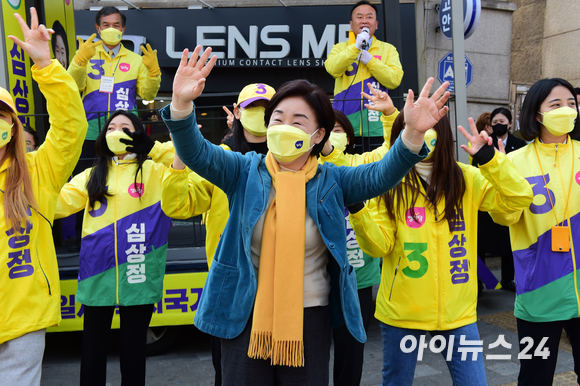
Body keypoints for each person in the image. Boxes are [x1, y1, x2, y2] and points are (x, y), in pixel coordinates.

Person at [161, 45, 449, 385]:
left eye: (298, 122)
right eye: (278, 119)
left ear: (318, 136)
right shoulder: (242, 170)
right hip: (243, 309)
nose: (284, 128)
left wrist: (412, 134)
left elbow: (381, 175)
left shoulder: (333, 179)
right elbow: (196, 151)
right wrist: (181, 104)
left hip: (310, 315)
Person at [341, 88, 533, 385]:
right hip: (402, 313)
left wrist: (490, 161)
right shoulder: (387, 181)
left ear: (442, 130)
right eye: (413, 125)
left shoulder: (465, 178)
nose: (422, 131)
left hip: (459, 313)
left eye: (430, 124)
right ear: (401, 132)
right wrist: (358, 208)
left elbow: (518, 200)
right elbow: (379, 246)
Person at [55, 110, 190, 386]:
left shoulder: (155, 171)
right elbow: (55, 203)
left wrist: (153, 148)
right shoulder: (91, 176)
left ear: (138, 135)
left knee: (133, 355)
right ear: (103, 137)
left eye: (125, 127)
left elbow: (185, 157)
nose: (117, 132)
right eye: (112, 127)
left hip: (138, 272)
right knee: (91, 355)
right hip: (96, 274)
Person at [0, 8, 87, 385]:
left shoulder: (37, 171)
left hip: (24, 320)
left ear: (14, 125)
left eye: (2, 115)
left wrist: (46, 66)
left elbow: (70, 128)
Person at [490, 78, 580, 385]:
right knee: (534, 377)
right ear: (537, 114)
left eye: (571, 104)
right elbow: (505, 216)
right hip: (539, 292)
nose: (566, 110)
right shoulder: (513, 162)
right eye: (556, 105)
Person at [68, 6, 161, 171]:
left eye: (116, 25)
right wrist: (80, 61)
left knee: (125, 177)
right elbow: (73, 86)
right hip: (90, 129)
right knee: (86, 178)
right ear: (98, 28)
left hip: (125, 130)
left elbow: (148, 94)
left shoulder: (136, 60)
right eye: (106, 25)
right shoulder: (86, 55)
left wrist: (153, 73)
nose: (111, 29)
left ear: (123, 29)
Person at [325, 0, 403, 139]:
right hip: (343, 126)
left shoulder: (388, 49)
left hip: (377, 126)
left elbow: (394, 80)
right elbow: (332, 69)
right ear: (351, 24)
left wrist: (370, 61)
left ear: (376, 24)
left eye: (369, 17)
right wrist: (355, 48)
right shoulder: (340, 47)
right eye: (359, 17)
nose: (364, 21)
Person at [476, 107, 527, 292]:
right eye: (495, 123)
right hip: (487, 200)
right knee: (479, 244)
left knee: (508, 244)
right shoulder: (484, 143)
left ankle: (507, 280)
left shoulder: (520, 145)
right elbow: (477, 169)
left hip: (508, 201)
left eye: (502, 122)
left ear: (510, 124)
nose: (498, 125)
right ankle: (481, 282)